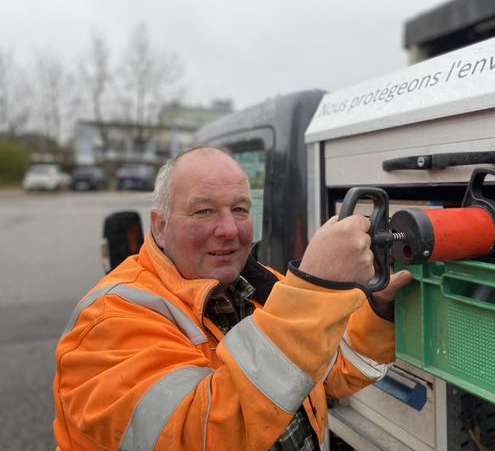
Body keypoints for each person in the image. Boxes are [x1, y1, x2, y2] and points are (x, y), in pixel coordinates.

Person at [53, 147, 412, 450]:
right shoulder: (109, 318)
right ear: (160, 227)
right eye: (204, 211)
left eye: (240, 209)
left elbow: (326, 372)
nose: (228, 229)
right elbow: (199, 433)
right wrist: (316, 288)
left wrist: (378, 307)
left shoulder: (262, 287)